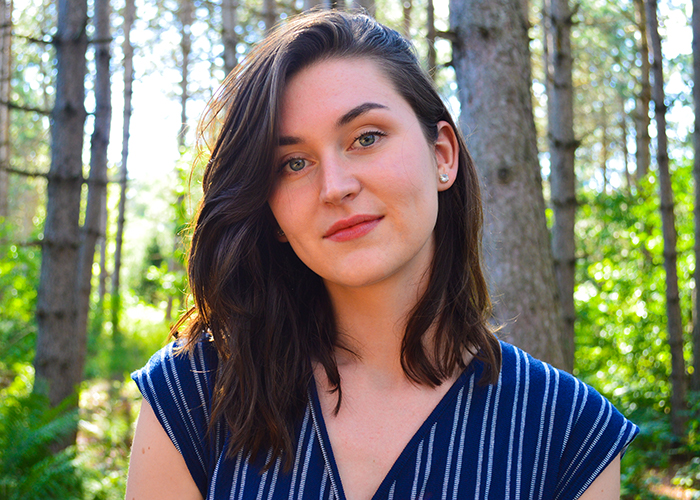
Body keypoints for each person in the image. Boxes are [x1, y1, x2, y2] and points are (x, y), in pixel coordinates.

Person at [125, 9, 638, 500]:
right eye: (294, 163)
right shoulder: (194, 392)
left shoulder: (570, 434)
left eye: (366, 137)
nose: (336, 187)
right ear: (271, 212)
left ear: (442, 155)